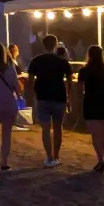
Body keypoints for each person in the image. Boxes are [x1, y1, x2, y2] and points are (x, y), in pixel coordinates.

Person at [26, 34, 72, 167]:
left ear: (43, 44)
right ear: (56, 44)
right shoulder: (62, 61)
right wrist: (69, 96)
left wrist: (33, 94)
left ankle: (49, 157)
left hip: (42, 97)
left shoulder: (36, 60)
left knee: (45, 128)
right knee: (58, 128)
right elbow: (69, 79)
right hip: (59, 97)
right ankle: (56, 156)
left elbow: (29, 81)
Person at [77, 45, 104, 172]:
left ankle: (100, 159)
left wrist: (81, 95)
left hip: (90, 102)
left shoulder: (84, 70)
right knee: (103, 132)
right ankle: (101, 157)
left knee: (95, 133)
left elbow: (79, 87)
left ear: (89, 55)